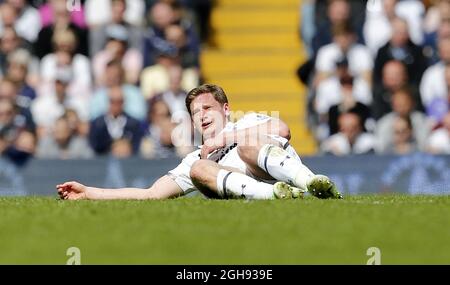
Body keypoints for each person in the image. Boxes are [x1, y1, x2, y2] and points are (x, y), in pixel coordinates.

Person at [57, 84, 342, 201]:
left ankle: (310, 182)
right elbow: (151, 194)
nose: (201, 116)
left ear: (226, 110)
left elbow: (283, 128)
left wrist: (225, 137)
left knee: (247, 144)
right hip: (270, 196)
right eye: (195, 113)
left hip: (286, 172)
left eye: (207, 108)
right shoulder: (197, 157)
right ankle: (276, 196)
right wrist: (90, 192)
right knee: (199, 169)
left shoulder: (245, 123)